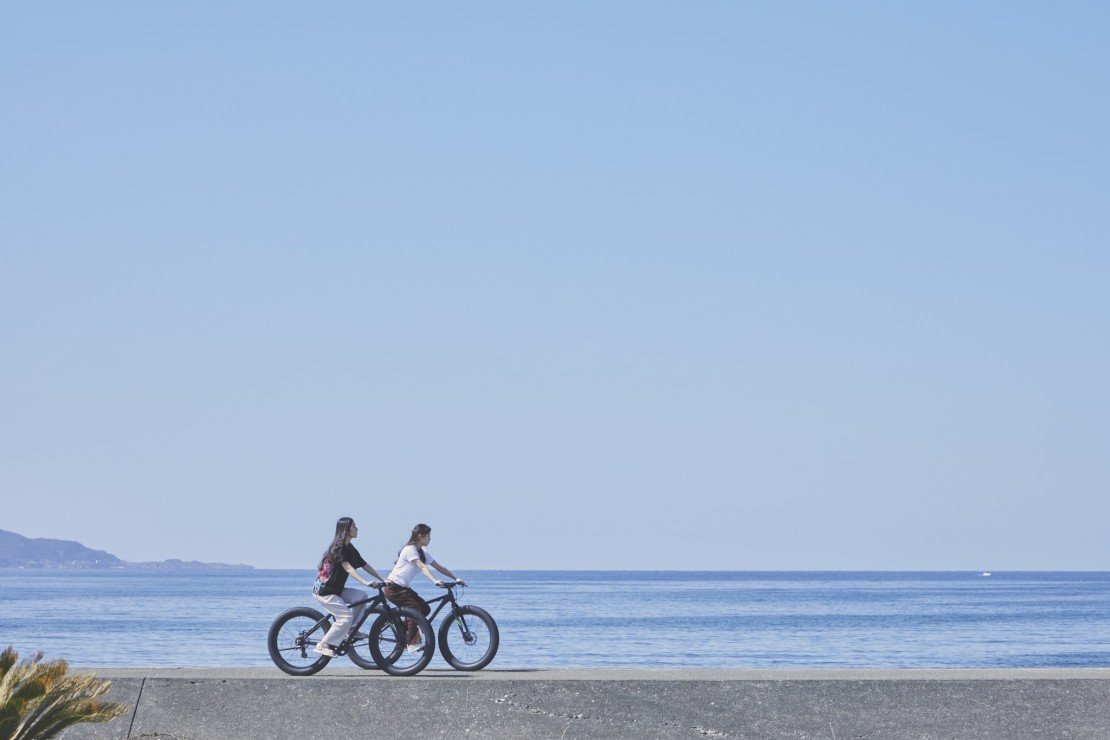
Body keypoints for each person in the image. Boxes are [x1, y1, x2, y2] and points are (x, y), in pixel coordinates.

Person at [383, 523, 466, 651]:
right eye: (428, 536)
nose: (430, 539)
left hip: (402, 588)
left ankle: (402, 630)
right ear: (421, 536)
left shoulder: (422, 552)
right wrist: (435, 580)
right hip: (393, 588)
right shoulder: (409, 549)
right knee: (414, 609)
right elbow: (422, 566)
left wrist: (455, 578)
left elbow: (439, 567)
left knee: (425, 609)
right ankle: (412, 642)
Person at [312, 517, 386, 658]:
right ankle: (323, 645)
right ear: (346, 530)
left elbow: (365, 565)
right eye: (354, 527)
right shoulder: (337, 548)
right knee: (345, 617)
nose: (357, 529)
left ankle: (351, 630)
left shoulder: (349, 548)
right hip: (324, 591)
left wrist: (382, 579)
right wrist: (365, 582)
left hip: (336, 590)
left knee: (362, 597)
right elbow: (348, 568)